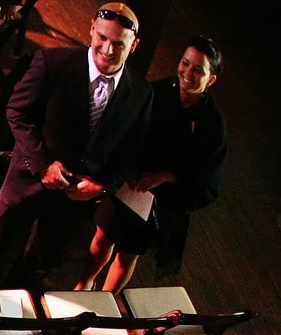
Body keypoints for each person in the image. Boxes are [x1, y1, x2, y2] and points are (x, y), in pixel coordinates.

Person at [0, 2, 153, 290]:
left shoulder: (141, 92)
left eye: (118, 43)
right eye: (102, 38)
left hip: (74, 200)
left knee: (37, 265)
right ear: (92, 29)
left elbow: (134, 149)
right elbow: (17, 112)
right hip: (28, 181)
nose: (107, 49)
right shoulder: (52, 62)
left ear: (134, 44)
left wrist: (103, 186)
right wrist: (43, 165)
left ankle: (15, 323)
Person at [76, 35, 227, 292]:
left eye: (198, 70)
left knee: (128, 252)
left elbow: (207, 176)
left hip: (161, 197)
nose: (187, 73)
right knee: (102, 236)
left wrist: (167, 176)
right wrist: (128, 167)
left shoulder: (212, 123)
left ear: (210, 80)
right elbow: (127, 131)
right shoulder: (155, 91)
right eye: (185, 63)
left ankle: (105, 299)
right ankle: (84, 285)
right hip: (130, 180)